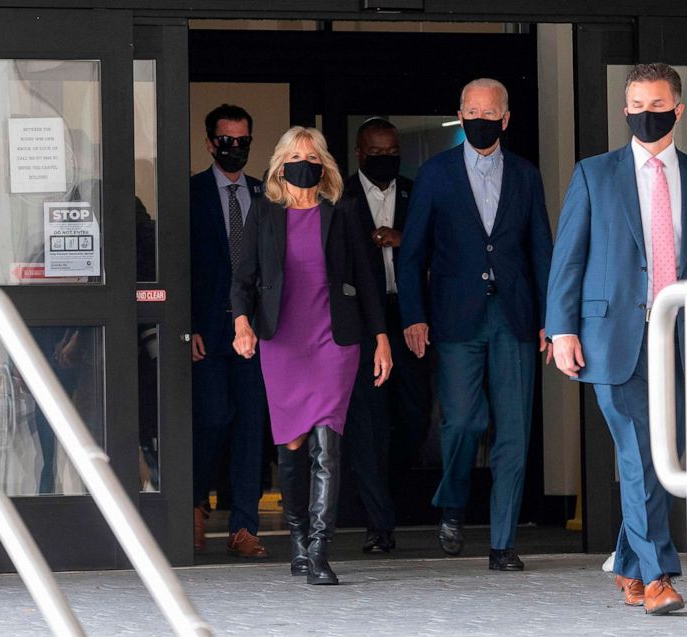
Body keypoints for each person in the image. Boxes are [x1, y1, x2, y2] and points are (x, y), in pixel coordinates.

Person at [545, 63, 687, 614]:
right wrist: (562, 328)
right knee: (641, 453)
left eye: (655, 105)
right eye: (635, 105)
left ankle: (629, 564)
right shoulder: (594, 174)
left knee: (666, 460)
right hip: (615, 337)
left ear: (677, 110)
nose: (644, 114)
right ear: (624, 109)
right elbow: (568, 258)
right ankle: (658, 574)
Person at [397, 78, 554, 572]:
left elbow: (542, 252)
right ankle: (454, 502)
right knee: (463, 420)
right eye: (471, 110)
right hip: (455, 316)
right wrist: (414, 315)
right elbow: (412, 251)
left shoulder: (527, 176)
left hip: (515, 317)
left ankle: (503, 544)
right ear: (460, 115)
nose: (480, 118)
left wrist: (554, 320)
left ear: (505, 119)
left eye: (490, 112)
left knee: (513, 432)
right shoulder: (436, 174)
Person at [231, 126, 392, 585]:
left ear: (324, 165)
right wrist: (241, 322)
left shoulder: (343, 213)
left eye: (313, 155)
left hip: (333, 341)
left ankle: (321, 549)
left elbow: (367, 279)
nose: (305, 162)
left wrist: (381, 337)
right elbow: (242, 278)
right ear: (281, 164)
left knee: (327, 444)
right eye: (297, 155)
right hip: (282, 342)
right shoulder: (262, 212)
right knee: (293, 446)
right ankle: (298, 537)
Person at [342, 118, 432, 554]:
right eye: (376, 153)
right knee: (369, 423)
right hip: (362, 322)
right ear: (359, 154)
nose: (385, 159)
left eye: (392, 151)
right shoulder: (341, 195)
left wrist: (404, 239)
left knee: (414, 419)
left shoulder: (417, 192)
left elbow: (442, 246)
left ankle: (389, 500)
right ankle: (379, 523)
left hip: (409, 318)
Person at [189, 104, 269, 558]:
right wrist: (188, 326)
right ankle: (196, 504)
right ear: (209, 143)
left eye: (242, 141)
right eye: (226, 141)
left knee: (250, 427)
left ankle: (244, 527)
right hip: (208, 331)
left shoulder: (264, 194)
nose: (234, 149)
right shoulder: (191, 193)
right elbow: (179, 267)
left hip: (255, 335)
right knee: (213, 418)